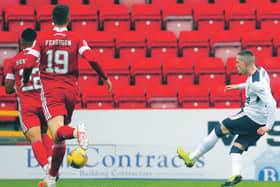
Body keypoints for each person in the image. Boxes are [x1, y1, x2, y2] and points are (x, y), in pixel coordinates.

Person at [23, 4, 112, 187]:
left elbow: (30, 62)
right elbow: (91, 57)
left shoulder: (41, 39)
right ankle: (52, 177)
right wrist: (105, 77)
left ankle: (76, 132)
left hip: (52, 91)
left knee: (58, 131)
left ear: (52, 19)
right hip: (71, 91)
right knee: (58, 137)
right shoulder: (76, 38)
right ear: (69, 18)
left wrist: (25, 79)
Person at [177, 50, 277, 187]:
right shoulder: (261, 71)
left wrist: (269, 126)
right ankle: (235, 174)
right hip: (259, 121)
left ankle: (191, 158)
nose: (236, 65)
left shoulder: (256, 83)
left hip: (250, 117)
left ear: (246, 63)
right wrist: (238, 86)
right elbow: (255, 86)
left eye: (237, 62)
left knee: (219, 129)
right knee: (237, 148)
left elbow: (272, 103)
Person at [4, 28, 54, 178]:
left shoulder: (12, 61)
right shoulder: (44, 58)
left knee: (35, 138)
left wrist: (19, 87)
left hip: (27, 105)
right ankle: (52, 162)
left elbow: (7, 88)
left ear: (22, 42)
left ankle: (46, 169)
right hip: (45, 103)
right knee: (45, 132)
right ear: (35, 42)